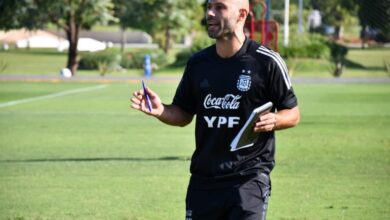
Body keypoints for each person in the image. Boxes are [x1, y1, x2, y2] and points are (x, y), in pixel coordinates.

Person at [131, 0, 300, 219]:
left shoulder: (267, 62)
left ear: (241, 14)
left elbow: (293, 113)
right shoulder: (198, 63)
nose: (210, 13)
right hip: (204, 182)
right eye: (209, 6)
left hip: (248, 179)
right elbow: (183, 114)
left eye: (219, 7)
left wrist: (275, 120)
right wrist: (160, 109)